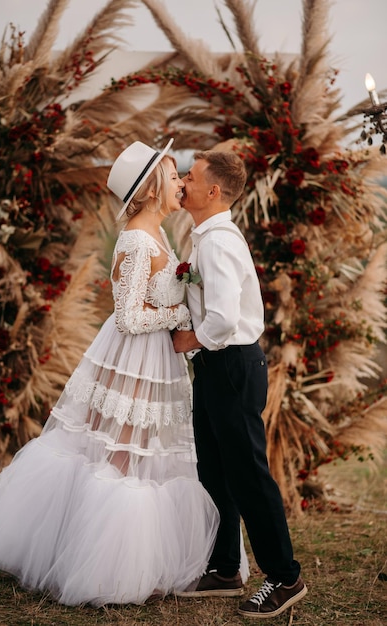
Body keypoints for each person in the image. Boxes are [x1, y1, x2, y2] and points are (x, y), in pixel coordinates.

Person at [0, 139, 220, 606]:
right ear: (149, 189)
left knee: (148, 454)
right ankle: (102, 568)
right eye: (171, 176)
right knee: (122, 456)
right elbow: (127, 317)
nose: (181, 182)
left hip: (156, 362)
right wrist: (180, 321)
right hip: (133, 359)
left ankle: (147, 561)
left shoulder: (159, 234)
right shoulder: (136, 240)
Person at [172, 149, 308, 619]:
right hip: (215, 366)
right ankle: (226, 567)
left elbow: (226, 319)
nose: (183, 182)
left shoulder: (218, 242)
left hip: (232, 364)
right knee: (214, 469)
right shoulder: (204, 236)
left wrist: (191, 337)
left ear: (213, 191)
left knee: (248, 473)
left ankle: (285, 576)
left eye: (190, 177)